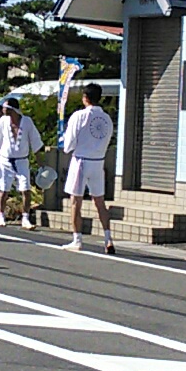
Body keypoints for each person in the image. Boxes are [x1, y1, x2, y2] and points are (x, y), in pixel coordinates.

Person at [62, 84, 117, 254]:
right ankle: (108, 238)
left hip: (81, 160)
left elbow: (69, 143)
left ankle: (77, 239)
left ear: (85, 97)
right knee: (100, 201)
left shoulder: (79, 116)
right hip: (98, 161)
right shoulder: (107, 119)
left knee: (75, 201)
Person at [0, 98, 42, 230]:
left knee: (26, 189)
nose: (3, 110)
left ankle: (25, 218)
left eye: (6, 108)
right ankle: (1, 216)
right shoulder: (3, 121)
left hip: (22, 161)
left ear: (13, 109)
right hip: (5, 160)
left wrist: (40, 161)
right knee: (4, 189)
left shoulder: (27, 122)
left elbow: (35, 141)